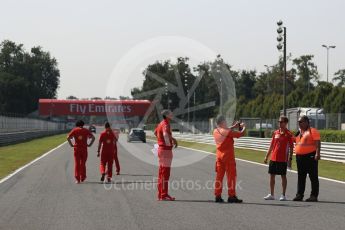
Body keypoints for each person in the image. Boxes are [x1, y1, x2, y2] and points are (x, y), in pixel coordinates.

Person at [213, 115, 246, 203]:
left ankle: (217, 195)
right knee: (231, 177)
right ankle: (231, 196)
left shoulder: (215, 131)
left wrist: (233, 127)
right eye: (225, 121)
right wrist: (243, 127)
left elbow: (225, 130)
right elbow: (241, 134)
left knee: (219, 177)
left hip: (219, 156)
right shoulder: (227, 131)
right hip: (228, 157)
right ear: (222, 122)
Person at [263, 116, 294, 201]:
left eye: (281, 122)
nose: (279, 123)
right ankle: (271, 194)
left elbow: (291, 147)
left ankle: (283, 195)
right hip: (273, 158)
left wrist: (290, 159)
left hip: (283, 159)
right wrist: (266, 156)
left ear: (286, 123)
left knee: (283, 176)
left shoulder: (289, 134)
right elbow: (271, 145)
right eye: (279, 122)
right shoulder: (275, 132)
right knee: (271, 176)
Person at [293, 115, 321, 202]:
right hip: (299, 157)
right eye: (298, 122)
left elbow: (318, 143)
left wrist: (317, 153)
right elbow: (296, 142)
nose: (299, 123)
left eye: (300, 122)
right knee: (301, 177)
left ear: (306, 122)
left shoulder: (313, 131)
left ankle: (314, 196)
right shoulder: (298, 132)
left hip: (310, 156)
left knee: (313, 176)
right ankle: (299, 195)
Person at [154, 110, 178, 201]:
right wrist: (172, 141)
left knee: (161, 173)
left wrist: (160, 142)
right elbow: (165, 134)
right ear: (167, 116)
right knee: (165, 174)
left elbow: (155, 132)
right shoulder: (166, 124)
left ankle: (160, 194)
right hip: (165, 150)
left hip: (161, 149)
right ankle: (164, 194)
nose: (172, 115)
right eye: (170, 114)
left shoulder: (161, 123)